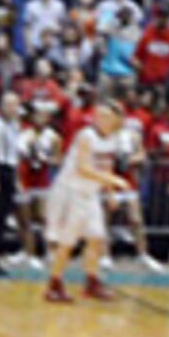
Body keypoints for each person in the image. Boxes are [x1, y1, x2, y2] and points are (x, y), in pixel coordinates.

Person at [44, 99, 128, 306]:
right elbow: (82, 168)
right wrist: (112, 181)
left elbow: (106, 166)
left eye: (107, 116)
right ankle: (54, 284)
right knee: (67, 243)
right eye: (98, 115)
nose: (101, 119)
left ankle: (91, 282)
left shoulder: (114, 138)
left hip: (90, 194)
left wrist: (110, 193)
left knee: (97, 238)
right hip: (70, 192)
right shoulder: (86, 136)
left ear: (117, 119)